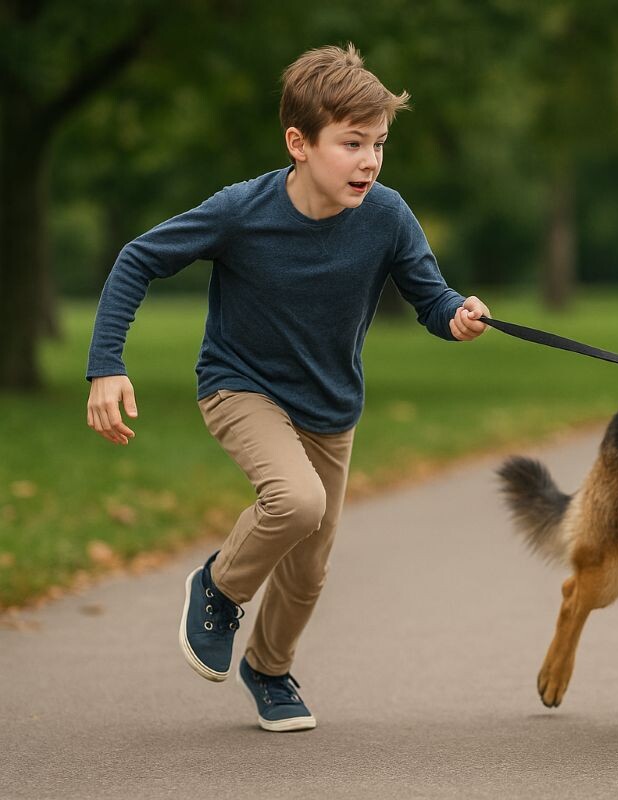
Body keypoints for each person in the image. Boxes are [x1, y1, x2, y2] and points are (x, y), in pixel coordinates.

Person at [84, 43, 489, 732]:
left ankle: (269, 669)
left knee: (308, 572)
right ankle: (218, 588)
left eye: (379, 144)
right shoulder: (243, 210)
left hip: (330, 408)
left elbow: (430, 297)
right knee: (295, 502)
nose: (369, 160)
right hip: (240, 388)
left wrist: (456, 315)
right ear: (298, 143)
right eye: (352, 143)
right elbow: (138, 259)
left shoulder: (388, 216)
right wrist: (106, 364)